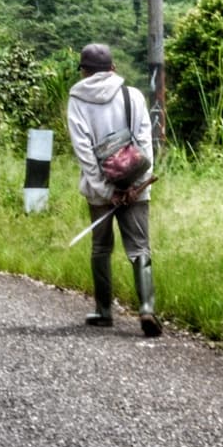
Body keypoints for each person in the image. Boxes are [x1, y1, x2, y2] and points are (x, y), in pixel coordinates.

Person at [65, 42, 161, 337]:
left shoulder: (77, 100)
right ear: (113, 68)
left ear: (84, 70)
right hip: (136, 185)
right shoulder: (132, 95)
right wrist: (134, 185)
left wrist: (106, 191)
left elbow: (84, 152)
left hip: (99, 191)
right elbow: (144, 143)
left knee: (101, 247)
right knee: (139, 247)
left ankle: (105, 311)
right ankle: (146, 309)